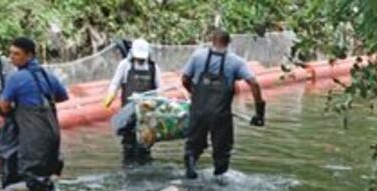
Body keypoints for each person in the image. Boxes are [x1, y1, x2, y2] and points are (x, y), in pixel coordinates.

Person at [181, 29, 265, 179]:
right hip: (221, 115)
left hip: (198, 111)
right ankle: (219, 179)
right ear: (229, 43)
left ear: (212, 40)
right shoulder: (236, 62)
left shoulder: (197, 56)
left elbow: (185, 79)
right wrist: (259, 112)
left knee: (193, 146)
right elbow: (254, 83)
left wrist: (194, 94)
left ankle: (190, 171)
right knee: (222, 151)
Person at [0, 36, 68, 191]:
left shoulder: (16, 77)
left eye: (17, 54)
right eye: (11, 53)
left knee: (22, 182)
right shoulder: (47, 75)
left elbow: (4, 105)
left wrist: (15, 111)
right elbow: (63, 96)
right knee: (47, 175)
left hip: (33, 138)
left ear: (29, 55)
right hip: (52, 133)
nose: (11, 57)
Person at [103, 39, 161, 165]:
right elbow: (115, 83)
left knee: (145, 147)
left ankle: (145, 168)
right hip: (129, 114)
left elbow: (159, 90)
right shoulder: (125, 65)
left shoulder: (153, 68)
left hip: (147, 115)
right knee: (128, 146)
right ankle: (128, 167)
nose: (140, 60)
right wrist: (111, 94)